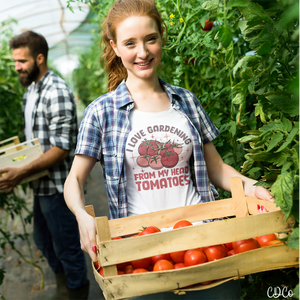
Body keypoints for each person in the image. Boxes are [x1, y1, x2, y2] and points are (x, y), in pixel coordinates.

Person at [64, 0, 273, 299]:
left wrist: (252, 187)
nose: (143, 52)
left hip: (207, 242)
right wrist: (82, 216)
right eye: (130, 43)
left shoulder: (186, 101)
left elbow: (216, 168)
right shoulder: (101, 111)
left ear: (161, 35)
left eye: (150, 39)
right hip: (143, 255)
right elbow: (73, 181)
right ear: (115, 46)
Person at [0, 31, 89, 300]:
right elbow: (35, 142)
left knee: (66, 247)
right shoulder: (32, 91)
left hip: (58, 187)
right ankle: (65, 286)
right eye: (15, 61)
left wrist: (20, 172)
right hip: (40, 184)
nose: (17, 67)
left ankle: (75, 292)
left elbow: (61, 149)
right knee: (43, 241)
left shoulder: (57, 91)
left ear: (40, 58)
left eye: (22, 61)